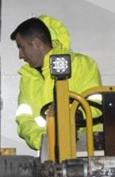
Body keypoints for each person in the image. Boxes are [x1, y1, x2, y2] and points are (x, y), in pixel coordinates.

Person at [10, 16, 101, 151]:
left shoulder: (81, 64)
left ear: (36, 43)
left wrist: (71, 121)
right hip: (49, 155)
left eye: (21, 47)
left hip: (86, 149)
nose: (20, 55)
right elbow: (24, 119)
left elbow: (95, 106)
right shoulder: (27, 78)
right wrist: (45, 140)